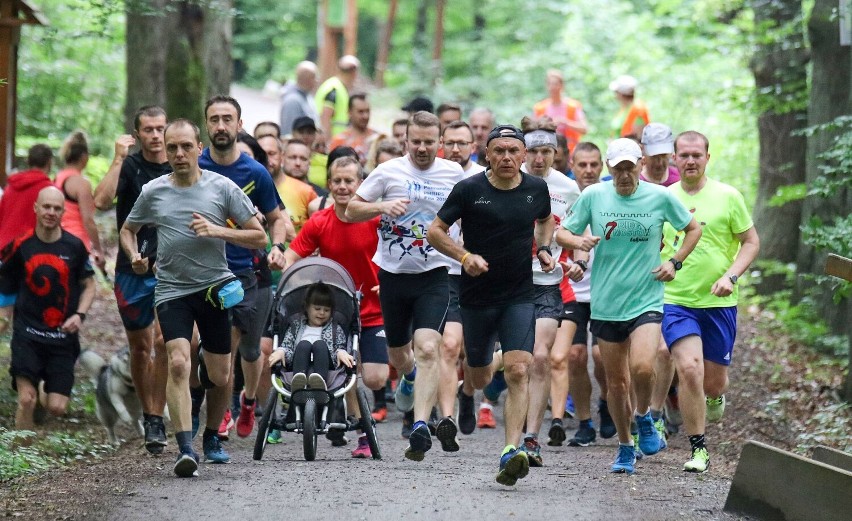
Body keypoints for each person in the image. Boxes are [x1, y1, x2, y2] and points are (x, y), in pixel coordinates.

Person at [120, 118, 267, 477]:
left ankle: (212, 436)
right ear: (165, 151)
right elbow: (128, 229)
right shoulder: (154, 190)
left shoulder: (222, 188)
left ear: (199, 148)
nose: (179, 154)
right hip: (171, 290)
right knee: (178, 361)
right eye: (172, 148)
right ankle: (186, 448)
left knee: (219, 374)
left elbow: (260, 236)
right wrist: (135, 257)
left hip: (214, 289)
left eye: (186, 146)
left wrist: (216, 229)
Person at [556, 137, 702, 475]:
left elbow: (692, 229)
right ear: (610, 168)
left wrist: (675, 263)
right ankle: (625, 445)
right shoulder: (594, 196)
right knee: (616, 382)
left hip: (646, 297)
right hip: (606, 302)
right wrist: (580, 241)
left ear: (640, 165)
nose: (625, 175)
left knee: (642, 367)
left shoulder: (659, 196)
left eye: (630, 167)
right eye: (618, 168)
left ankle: (645, 416)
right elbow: (563, 233)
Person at [427, 124, 555, 486]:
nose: (507, 157)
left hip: (518, 295)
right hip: (477, 297)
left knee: (518, 370)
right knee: (480, 374)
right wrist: (464, 256)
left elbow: (545, 220)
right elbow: (435, 230)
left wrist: (543, 248)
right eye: (499, 151)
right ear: (487, 154)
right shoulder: (469, 189)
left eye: (514, 151)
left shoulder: (536, 189)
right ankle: (469, 392)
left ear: (524, 156)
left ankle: (510, 451)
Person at [345, 111, 464, 461]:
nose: (423, 148)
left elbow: (469, 213)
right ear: (406, 141)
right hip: (393, 275)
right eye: (417, 142)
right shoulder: (388, 172)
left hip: (436, 274)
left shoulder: (454, 174)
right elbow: (351, 210)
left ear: (440, 142)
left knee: (429, 347)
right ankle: (408, 377)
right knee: (400, 355)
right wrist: (382, 205)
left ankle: (420, 424)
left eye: (430, 142)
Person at [273, 156, 388, 457]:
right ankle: (362, 432)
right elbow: (293, 257)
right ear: (329, 184)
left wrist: (391, 280)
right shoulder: (320, 222)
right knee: (351, 370)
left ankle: (398, 381)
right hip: (337, 313)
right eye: (336, 181)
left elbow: (397, 254)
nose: (342, 186)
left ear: (361, 184)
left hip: (375, 307)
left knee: (375, 378)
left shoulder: (375, 220)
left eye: (349, 181)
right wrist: (279, 268)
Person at [661, 131, 759, 473]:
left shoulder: (728, 196)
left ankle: (715, 396)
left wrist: (729, 276)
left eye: (696, 155)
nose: (690, 161)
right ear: (674, 158)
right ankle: (698, 448)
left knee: (713, 382)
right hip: (676, 300)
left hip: (719, 302)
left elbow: (750, 242)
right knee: (688, 369)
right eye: (683, 155)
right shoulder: (663, 197)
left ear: (707, 158)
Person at [199, 95, 289, 442]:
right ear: (206, 125)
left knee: (251, 350)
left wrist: (277, 247)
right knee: (223, 345)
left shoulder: (254, 172)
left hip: (245, 271)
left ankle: (248, 402)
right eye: (214, 119)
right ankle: (221, 412)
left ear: (239, 125)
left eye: (227, 119)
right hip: (203, 273)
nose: (220, 126)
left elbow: (276, 218)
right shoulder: (195, 167)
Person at [93, 105, 171, 454]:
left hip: (170, 268)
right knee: (140, 348)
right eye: (149, 129)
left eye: (160, 128)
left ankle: (156, 416)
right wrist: (117, 159)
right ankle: (151, 415)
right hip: (131, 269)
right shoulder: (130, 166)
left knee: (161, 341)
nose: (155, 135)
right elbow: (100, 200)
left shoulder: (178, 166)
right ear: (137, 134)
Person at [515, 117, 582, 467]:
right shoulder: (507, 180)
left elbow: (578, 233)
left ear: (556, 154)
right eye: (533, 152)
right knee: (512, 364)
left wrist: (579, 262)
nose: (538, 159)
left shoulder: (569, 189)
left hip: (547, 283)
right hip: (508, 283)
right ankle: (478, 395)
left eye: (546, 152)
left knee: (540, 357)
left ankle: (530, 439)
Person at [0, 187, 95, 430]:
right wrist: (4, 316)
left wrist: (79, 315)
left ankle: (44, 387)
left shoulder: (74, 246)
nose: (51, 212)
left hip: (62, 336)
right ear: (36, 208)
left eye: (56, 208)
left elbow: (89, 285)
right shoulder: (21, 245)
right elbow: (6, 284)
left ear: (63, 211)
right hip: (27, 334)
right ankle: (23, 455)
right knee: (26, 399)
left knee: (57, 407)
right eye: (46, 207)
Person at [551, 142, 616, 447]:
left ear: (601, 166)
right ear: (572, 166)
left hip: (606, 289)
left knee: (602, 357)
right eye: (582, 165)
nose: (588, 170)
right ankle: (585, 423)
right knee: (575, 356)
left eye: (593, 165)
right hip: (572, 290)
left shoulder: (611, 196)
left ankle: (606, 401)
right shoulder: (560, 196)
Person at [438, 121, 486, 435]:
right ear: (443, 143)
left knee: (474, 353)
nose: (456, 149)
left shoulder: (485, 178)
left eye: (462, 143)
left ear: (473, 145)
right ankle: (446, 417)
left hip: (479, 273)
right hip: (444, 272)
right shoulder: (435, 176)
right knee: (449, 345)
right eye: (451, 143)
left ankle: (467, 393)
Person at [639, 122, 682, 444]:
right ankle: (644, 412)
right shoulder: (633, 182)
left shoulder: (680, 183)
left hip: (676, 276)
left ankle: (656, 411)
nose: (658, 161)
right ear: (643, 153)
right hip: (640, 278)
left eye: (664, 155)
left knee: (667, 352)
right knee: (648, 354)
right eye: (653, 155)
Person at [268, 282, 352, 390]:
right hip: (298, 363)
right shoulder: (296, 326)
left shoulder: (335, 328)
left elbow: (339, 347)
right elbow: (287, 346)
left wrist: (341, 352)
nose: (322, 313)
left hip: (326, 366)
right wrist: (281, 351)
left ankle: (319, 382)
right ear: (307, 308)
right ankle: (298, 381)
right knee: (304, 345)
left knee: (319, 345)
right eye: (317, 309)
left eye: (326, 310)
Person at [53, 131, 106, 274]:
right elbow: (88, 220)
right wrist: (99, 250)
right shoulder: (81, 183)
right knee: (83, 289)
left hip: (56, 241)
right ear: (84, 157)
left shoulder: (56, 179)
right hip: (77, 244)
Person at [0, 144, 54, 248]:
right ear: (49, 162)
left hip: (4, 248)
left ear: (28, 161)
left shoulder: (10, 187)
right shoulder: (50, 191)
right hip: (30, 251)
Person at [266, 137, 317, 232]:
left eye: (303, 158)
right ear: (282, 157)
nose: (298, 163)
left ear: (309, 162)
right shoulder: (264, 186)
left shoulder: (311, 193)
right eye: (293, 157)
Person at [532, 69, 588, 153]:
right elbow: (531, 131)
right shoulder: (540, 108)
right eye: (550, 84)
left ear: (562, 86)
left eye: (555, 84)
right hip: (546, 152)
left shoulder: (573, 106)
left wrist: (565, 122)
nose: (552, 87)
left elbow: (584, 129)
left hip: (570, 152)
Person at [315, 55, 360, 139]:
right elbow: (325, 118)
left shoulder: (338, 87)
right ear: (354, 72)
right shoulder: (334, 89)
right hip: (333, 142)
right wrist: (328, 144)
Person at [291, 116, 330, 192]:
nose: (305, 136)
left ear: (315, 135)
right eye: (301, 132)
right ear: (293, 133)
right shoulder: (285, 159)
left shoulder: (326, 161)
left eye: (309, 132)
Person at [280, 61, 319, 134]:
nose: (317, 80)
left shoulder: (308, 98)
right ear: (306, 78)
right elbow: (289, 130)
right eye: (314, 77)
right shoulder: (292, 101)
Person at [609, 74, 650, 139]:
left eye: (616, 92)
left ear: (621, 94)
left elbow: (639, 135)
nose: (615, 95)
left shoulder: (638, 108)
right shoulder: (624, 109)